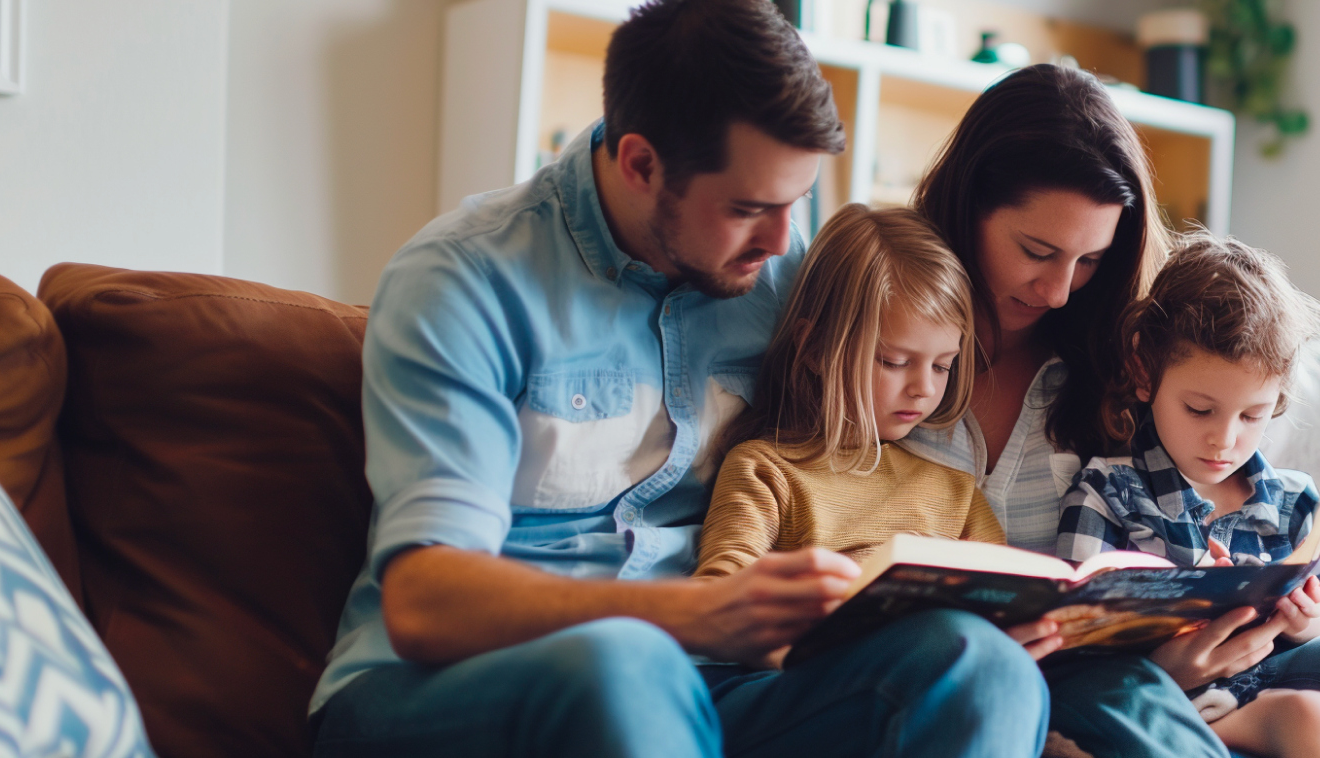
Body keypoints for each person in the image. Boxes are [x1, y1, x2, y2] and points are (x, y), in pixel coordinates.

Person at [308, 1, 1050, 756]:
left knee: (979, 667)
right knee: (621, 659)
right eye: (750, 208)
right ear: (640, 164)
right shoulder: (465, 283)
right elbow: (425, 601)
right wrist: (694, 614)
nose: (782, 239)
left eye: (797, 202)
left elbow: (901, 373)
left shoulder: (780, 275)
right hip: (447, 687)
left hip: (708, 683)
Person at [897, 62, 1232, 757]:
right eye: (1037, 251)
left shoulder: (1119, 366)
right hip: (929, 676)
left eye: (1088, 262)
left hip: (1096, 676)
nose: (1057, 291)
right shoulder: (883, 339)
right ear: (968, 205)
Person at [1057, 234, 1320, 758]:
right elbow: (1077, 642)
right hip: (1157, 691)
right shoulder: (1107, 491)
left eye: (1251, 415)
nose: (1224, 439)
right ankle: (1212, 731)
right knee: (1101, 689)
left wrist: (1304, 616)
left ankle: (1236, 723)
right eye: (1200, 410)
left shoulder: (1295, 499)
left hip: (1272, 676)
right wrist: (1171, 660)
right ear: (1143, 373)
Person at [694, 205, 1005, 591]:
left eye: (942, 366)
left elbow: (1006, 593)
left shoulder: (957, 493)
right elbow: (720, 601)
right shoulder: (766, 472)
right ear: (816, 350)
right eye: (894, 361)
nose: (923, 388)